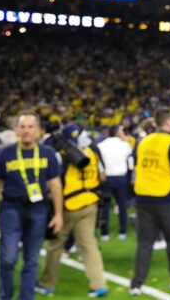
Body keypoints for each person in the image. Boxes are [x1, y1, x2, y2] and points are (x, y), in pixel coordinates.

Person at [0, 111, 63, 300]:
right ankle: (5, 295)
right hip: (11, 208)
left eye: (30, 127)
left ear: (38, 130)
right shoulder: (4, 154)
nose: (26, 131)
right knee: (8, 258)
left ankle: (26, 297)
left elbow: (55, 184)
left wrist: (58, 214)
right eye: (23, 127)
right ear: (16, 130)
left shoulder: (48, 154)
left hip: (38, 209)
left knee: (32, 260)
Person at [37, 124, 108, 298]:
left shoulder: (61, 156)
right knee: (89, 245)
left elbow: (53, 184)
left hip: (68, 205)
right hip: (91, 202)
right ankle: (99, 284)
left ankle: (48, 284)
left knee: (55, 245)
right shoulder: (93, 152)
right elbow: (102, 177)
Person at [129, 108, 170, 296]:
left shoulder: (143, 141)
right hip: (166, 199)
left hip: (143, 198)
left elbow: (136, 165)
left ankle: (136, 283)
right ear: (168, 122)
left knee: (145, 243)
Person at [97, 125, 133, 241]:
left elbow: (98, 162)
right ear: (118, 132)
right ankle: (123, 231)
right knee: (122, 205)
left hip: (106, 178)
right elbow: (130, 161)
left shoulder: (101, 145)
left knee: (106, 206)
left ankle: (104, 233)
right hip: (121, 178)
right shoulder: (124, 145)